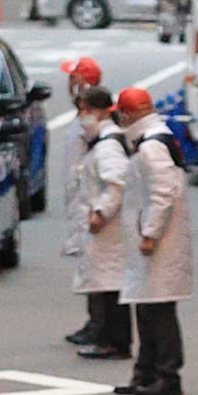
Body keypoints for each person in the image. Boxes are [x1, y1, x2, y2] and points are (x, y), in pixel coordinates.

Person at [114, 86, 192, 395]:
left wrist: (150, 233)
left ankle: (166, 374)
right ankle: (145, 372)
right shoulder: (155, 139)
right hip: (153, 239)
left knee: (157, 310)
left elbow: (163, 194)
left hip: (158, 241)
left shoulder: (151, 147)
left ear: (127, 113)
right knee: (147, 308)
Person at [66, 88, 133, 362]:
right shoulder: (102, 141)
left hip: (108, 228)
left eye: (86, 110)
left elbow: (117, 182)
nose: (84, 117)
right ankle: (108, 338)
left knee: (110, 284)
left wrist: (101, 212)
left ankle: (114, 341)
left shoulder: (108, 146)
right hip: (106, 228)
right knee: (105, 282)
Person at [58, 57, 109, 347]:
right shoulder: (82, 118)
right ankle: (95, 321)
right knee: (89, 262)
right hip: (80, 198)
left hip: (87, 201)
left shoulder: (92, 123)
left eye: (73, 78)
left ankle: (99, 323)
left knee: (95, 264)